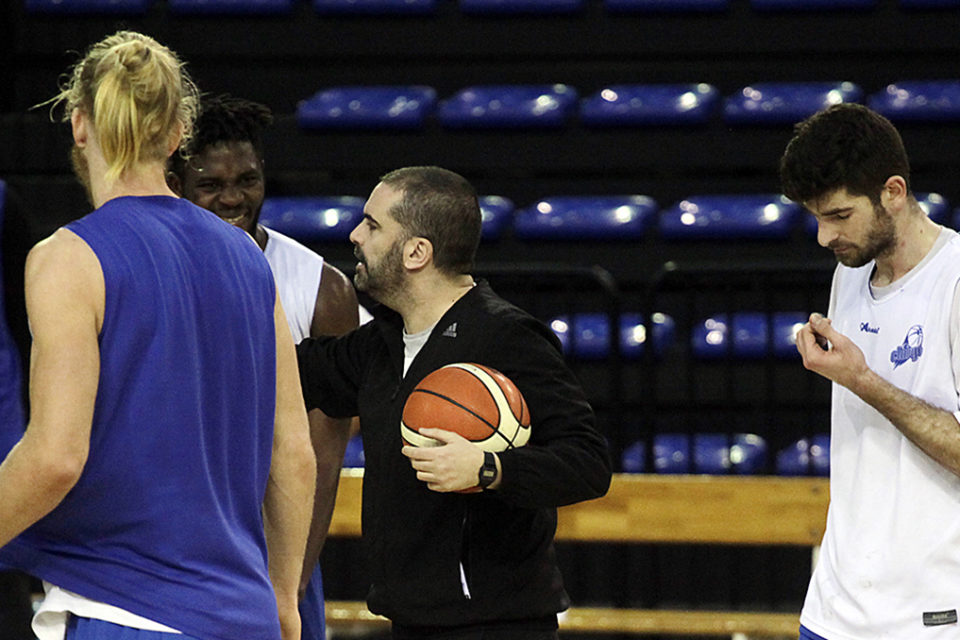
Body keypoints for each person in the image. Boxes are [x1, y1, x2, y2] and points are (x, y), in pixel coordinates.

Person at [0, 31, 316, 640]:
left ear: (79, 125)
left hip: (125, 609)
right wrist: (282, 599)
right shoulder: (248, 258)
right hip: (243, 613)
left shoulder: (68, 258)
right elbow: (294, 454)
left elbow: (56, 458)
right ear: (176, 135)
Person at [296, 165, 612, 639]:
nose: (355, 234)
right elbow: (287, 372)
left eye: (373, 224)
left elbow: (587, 462)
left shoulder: (507, 336)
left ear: (416, 252)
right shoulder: (380, 341)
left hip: (497, 626)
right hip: (408, 621)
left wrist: (490, 468)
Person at [166, 93, 361, 640]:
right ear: (178, 182)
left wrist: (293, 577)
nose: (233, 198)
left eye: (247, 180)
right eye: (212, 185)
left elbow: (324, 454)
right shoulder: (155, 273)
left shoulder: (322, 288)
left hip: (274, 541)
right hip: (174, 545)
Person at [780, 103, 960, 640]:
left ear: (894, 192)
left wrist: (863, 380)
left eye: (838, 216)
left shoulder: (952, 281)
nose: (824, 237)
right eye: (816, 218)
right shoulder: (849, 274)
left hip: (928, 615)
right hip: (834, 608)